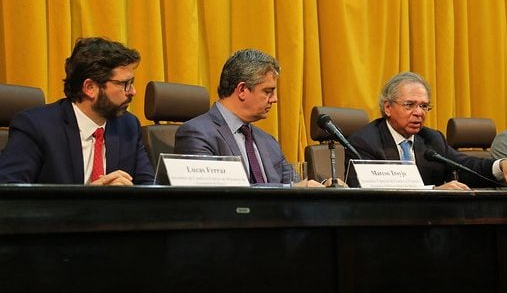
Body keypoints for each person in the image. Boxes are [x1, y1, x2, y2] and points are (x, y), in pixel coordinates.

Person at [0, 37, 155, 185]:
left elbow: (149, 188)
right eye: (125, 83)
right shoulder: (36, 127)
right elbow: (11, 196)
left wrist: (129, 197)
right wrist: (86, 201)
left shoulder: (128, 126)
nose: (133, 91)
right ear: (90, 88)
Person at [344, 72, 507, 189]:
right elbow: (375, 193)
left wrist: (501, 165)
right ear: (388, 108)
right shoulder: (365, 141)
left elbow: (466, 167)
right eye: (410, 105)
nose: (418, 113)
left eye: (424, 106)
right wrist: (434, 191)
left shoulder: (432, 139)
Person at [174, 49, 291, 185]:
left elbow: (295, 184)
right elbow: (213, 193)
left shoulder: (268, 141)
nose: (274, 99)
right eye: (267, 92)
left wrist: (317, 184)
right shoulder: (196, 134)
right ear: (242, 90)